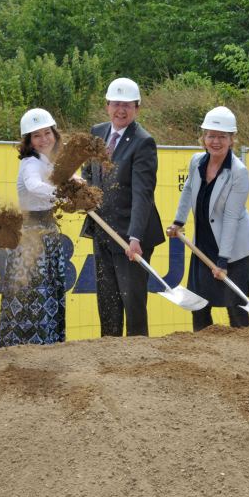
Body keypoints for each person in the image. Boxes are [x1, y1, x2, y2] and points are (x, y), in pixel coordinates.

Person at [80, 77, 164, 337]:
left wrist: (135, 237)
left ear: (137, 109)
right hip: (103, 230)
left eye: (127, 105)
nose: (121, 110)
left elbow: (143, 194)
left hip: (131, 237)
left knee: (133, 302)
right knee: (107, 300)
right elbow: (90, 172)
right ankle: (110, 356)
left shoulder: (143, 142)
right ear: (107, 105)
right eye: (116, 104)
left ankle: (138, 359)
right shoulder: (97, 132)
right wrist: (81, 189)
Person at [167, 106, 249, 331]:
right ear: (203, 137)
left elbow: (230, 217)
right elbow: (188, 190)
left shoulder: (239, 172)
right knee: (199, 304)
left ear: (231, 139)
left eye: (222, 137)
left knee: (235, 307)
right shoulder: (197, 161)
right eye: (211, 136)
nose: (215, 141)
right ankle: (203, 355)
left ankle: (245, 353)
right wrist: (179, 222)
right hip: (204, 244)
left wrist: (223, 261)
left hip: (234, 250)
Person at [0, 108, 67, 346]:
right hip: (30, 241)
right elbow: (34, 185)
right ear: (28, 141)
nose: (44, 139)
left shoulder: (53, 162)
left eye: (47, 133)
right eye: (36, 136)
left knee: (48, 293)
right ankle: (23, 350)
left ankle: (49, 346)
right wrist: (64, 194)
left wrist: (79, 186)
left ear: (55, 134)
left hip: (49, 237)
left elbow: (72, 177)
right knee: (31, 296)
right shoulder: (30, 162)